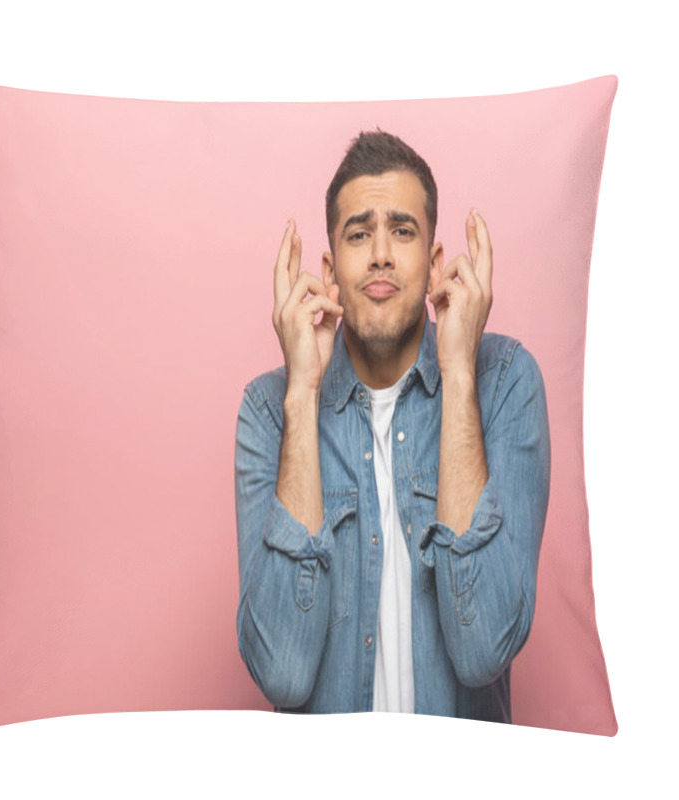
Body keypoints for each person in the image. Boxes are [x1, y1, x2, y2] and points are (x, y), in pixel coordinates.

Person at [234, 129, 550, 722]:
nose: (380, 253)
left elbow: (483, 650)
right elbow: (282, 670)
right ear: (329, 272)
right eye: (359, 234)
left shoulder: (504, 383)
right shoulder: (266, 410)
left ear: (435, 265)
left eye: (402, 230)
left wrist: (458, 371)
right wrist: (301, 395)